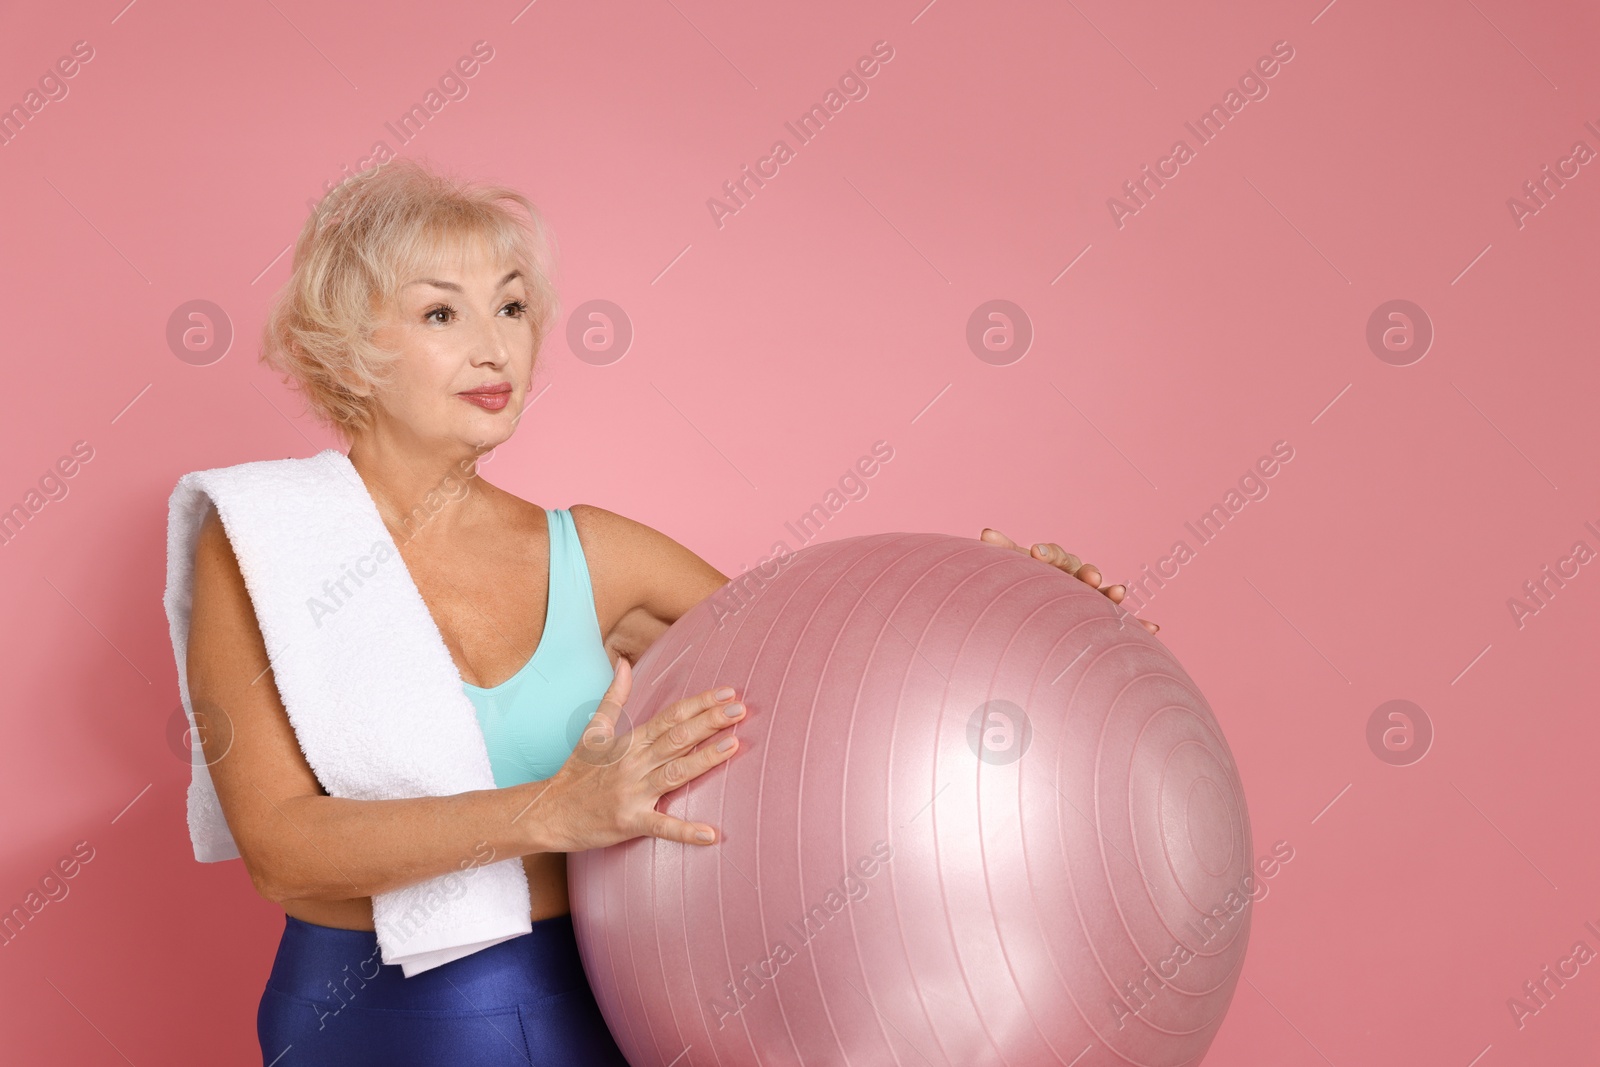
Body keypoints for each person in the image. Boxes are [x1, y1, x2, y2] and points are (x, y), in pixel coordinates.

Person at [182, 156, 1156, 1067]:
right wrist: (553, 809)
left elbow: (845, 693)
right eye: (442, 314)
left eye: (513, 307)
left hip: (585, 1006)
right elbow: (281, 848)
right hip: (359, 1016)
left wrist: (1016, 614)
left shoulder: (599, 555)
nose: (494, 345)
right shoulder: (269, 540)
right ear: (347, 350)